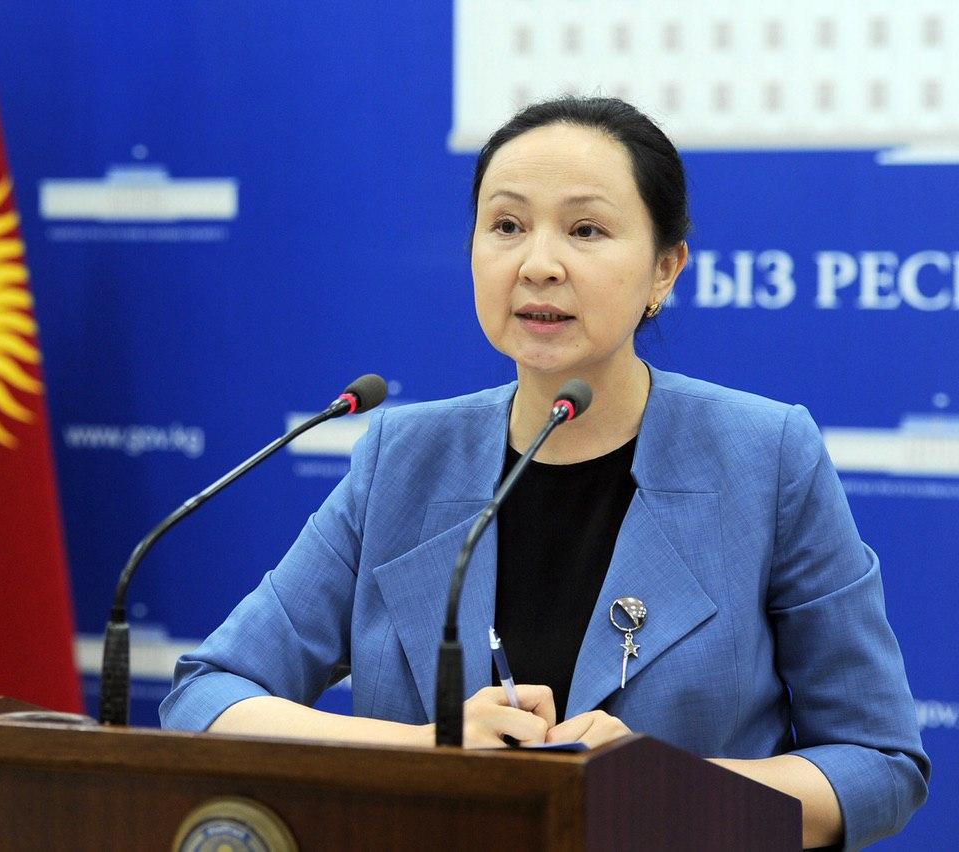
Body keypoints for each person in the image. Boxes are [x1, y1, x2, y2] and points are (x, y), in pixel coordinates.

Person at [159, 96, 929, 849]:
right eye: (507, 226)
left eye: (586, 230)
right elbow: (208, 695)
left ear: (665, 270)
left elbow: (878, 764)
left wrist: (669, 788)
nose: (538, 265)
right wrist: (429, 748)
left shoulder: (766, 457)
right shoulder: (403, 457)